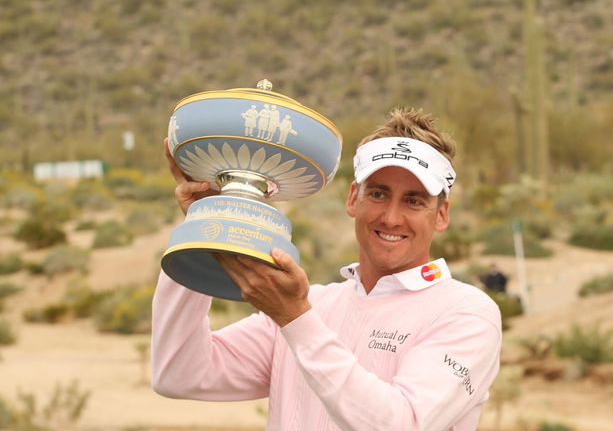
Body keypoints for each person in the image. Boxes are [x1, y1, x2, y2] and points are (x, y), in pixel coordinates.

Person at [152, 107, 502, 430]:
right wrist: (202, 228)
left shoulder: (467, 313)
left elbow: (401, 423)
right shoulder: (312, 306)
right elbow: (177, 374)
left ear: (441, 215)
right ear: (353, 199)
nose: (392, 218)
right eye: (378, 194)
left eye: (413, 200)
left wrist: (295, 318)